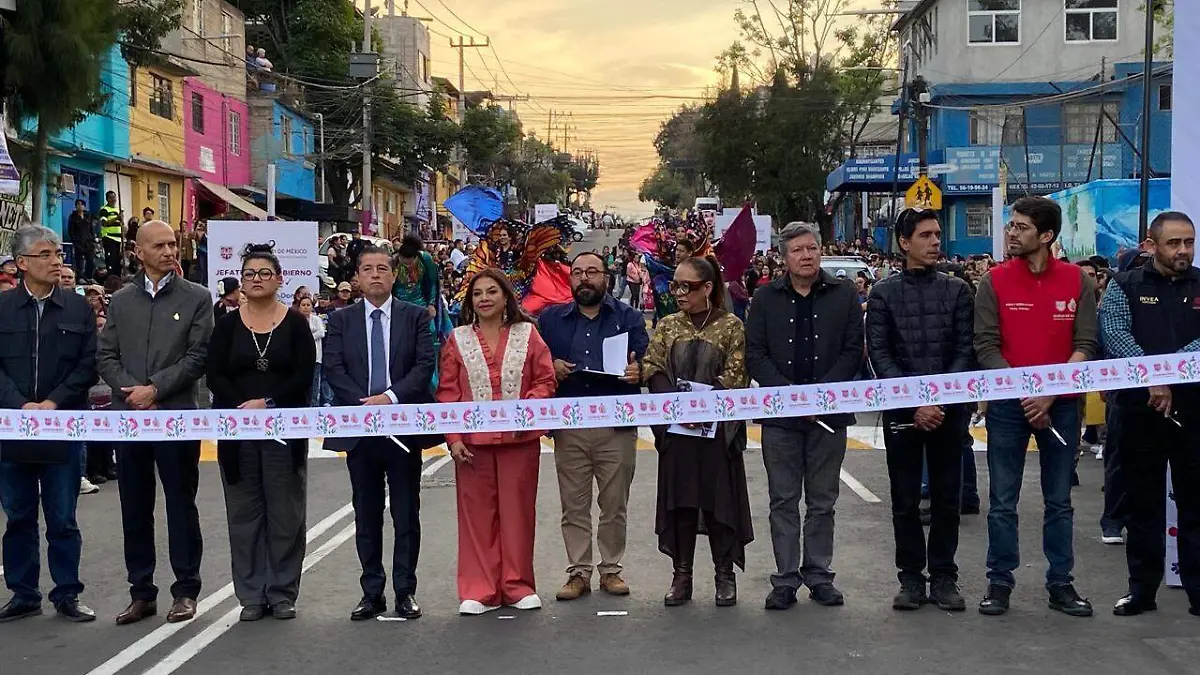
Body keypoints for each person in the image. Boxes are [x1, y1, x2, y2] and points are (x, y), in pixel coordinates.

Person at [973, 196, 1098, 618]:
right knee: (1003, 499)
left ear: (1046, 236)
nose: (1012, 232)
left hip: (1061, 405)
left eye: (1022, 227)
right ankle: (999, 582)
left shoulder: (1077, 282)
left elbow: (1086, 345)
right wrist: (1024, 393)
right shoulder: (993, 281)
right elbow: (986, 347)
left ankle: (1061, 583)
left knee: (1059, 500)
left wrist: (1051, 392)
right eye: (1011, 225)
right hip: (1010, 407)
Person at [97, 220, 214, 626]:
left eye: (172, 244)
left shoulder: (197, 297)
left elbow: (198, 356)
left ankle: (185, 590)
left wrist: (155, 389)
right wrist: (131, 391)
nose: (168, 251)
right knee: (134, 505)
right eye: (159, 245)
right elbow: (106, 354)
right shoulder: (121, 301)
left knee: (181, 505)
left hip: (174, 419)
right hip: (128, 419)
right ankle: (141, 592)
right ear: (138, 251)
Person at [746, 222, 864, 611]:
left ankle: (818, 575)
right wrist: (791, 397)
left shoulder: (844, 295)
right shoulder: (764, 299)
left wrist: (820, 397)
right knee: (782, 500)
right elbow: (756, 355)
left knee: (822, 501)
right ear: (784, 258)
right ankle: (784, 579)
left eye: (812, 248)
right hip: (781, 419)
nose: (807, 255)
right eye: (798, 250)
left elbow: (852, 351)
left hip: (829, 416)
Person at [866, 208, 974, 612]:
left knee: (947, 498)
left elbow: (966, 350)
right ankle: (911, 578)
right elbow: (880, 354)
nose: (935, 242)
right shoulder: (883, 294)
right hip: (902, 413)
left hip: (949, 412)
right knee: (905, 499)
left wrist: (939, 401)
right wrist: (915, 404)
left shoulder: (958, 289)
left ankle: (944, 577)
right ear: (904, 242)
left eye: (937, 234)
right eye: (926, 235)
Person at [324, 245, 436, 621]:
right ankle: (372, 592)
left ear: (393, 276)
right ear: (356, 277)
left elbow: (423, 367)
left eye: (382, 268)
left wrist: (388, 398)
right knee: (366, 514)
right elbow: (334, 369)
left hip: (402, 429)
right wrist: (363, 404)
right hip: (360, 430)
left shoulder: (416, 317)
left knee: (406, 514)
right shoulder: (340, 320)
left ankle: (405, 591)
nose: (375, 275)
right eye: (367, 269)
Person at [437, 269, 557, 615]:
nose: (484, 298)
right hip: (472, 445)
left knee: (518, 513)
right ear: (470, 301)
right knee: (476, 515)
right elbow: (448, 392)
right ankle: (480, 589)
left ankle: (517, 585)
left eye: (492, 291)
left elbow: (545, 380)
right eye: (477, 294)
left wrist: (526, 409)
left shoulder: (528, 335)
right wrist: (454, 437)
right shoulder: (457, 339)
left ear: (506, 296)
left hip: (519, 442)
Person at [207, 244, 316, 621]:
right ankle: (252, 595)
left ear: (280, 279)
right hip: (237, 434)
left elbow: (303, 375)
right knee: (244, 515)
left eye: (264, 273)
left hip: (284, 434)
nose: (256, 279)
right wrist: (243, 405)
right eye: (249, 274)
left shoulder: (296, 324)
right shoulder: (226, 325)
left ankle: (282, 592)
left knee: (286, 514)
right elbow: (215, 373)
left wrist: (267, 402)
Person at [1099, 211, 1200, 617]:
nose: (1183, 251)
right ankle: (1141, 591)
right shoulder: (1124, 285)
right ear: (1151, 244)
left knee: (1195, 504)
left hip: (1193, 411)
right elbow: (1116, 334)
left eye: (1189, 242)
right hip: (1139, 412)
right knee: (1143, 507)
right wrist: (1153, 380)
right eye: (1174, 243)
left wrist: (1171, 376)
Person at [641, 256, 753, 607]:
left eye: (687, 286)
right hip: (677, 433)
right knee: (682, 504)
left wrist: (703, 407)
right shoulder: (668, 326)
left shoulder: (731, 326)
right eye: (675, 285)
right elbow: (652, 366)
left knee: (719, 502)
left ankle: (724, 575)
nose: (679, 293)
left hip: (717, 434)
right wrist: (675, 404)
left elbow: (738, 375)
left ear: (708, 288)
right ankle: (682, 575)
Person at [0, 225, 98, 623]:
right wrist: (21, 405)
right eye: (46, 254)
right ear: (22, 263)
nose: (57, 261)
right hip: (14, 428)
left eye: (58, 254)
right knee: (19, 515)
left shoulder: (77, 308)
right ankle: (24, 593)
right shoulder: (2, 308)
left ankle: (67, 593)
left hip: (62, 428)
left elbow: (87, 365)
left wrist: (53, 402)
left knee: (62, 517)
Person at [537, 252, 648, 601]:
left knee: (614, 504)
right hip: (569, 426)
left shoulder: (628, 317)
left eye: (592, 272)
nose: (585, 278)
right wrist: (550, 366)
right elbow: (534, 360)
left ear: (607, 278)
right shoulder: (551, 319)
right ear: (570, 280)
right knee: (574, 505)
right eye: (578, 273)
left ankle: (611, 570)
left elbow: (648, 359)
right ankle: (579, 572)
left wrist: (639, 371)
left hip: (616, 426)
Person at [296, 295, 330, 406]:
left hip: (315, 357)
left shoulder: (316, 319)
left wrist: (306, 337)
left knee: (315, 383)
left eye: (308, 305)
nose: (305, 307)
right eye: (303, 305)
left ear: (312, 307)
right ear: (299, 307)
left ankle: (314, 405)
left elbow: (321, 332)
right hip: (299, 358)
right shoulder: (295, 320)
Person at [67, 199, 96, 282]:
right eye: (77, 204)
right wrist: (74, 241)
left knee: (91, 261)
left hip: (88, 242)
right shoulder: (73, 216)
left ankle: (89, 277)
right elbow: (70, 230)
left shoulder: (88, 216)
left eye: (81, 204)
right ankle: (80, 277)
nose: (79, 206)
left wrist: (93, 238)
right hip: (78, 242)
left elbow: (91, 228)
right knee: (79, 262)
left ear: (84, 206)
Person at [99, 191, 123, 274]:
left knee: (118, 261)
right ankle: (111, 277)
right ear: (107, 199)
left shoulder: (117, 210)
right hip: (109, 238)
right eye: (111, 197)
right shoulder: (104, 210)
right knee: (111, 260)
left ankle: (117, 278)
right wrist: (116, 218)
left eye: (114, 197)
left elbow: (120, 224)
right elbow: (104, 223)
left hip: (118, 239)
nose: (113, 199)